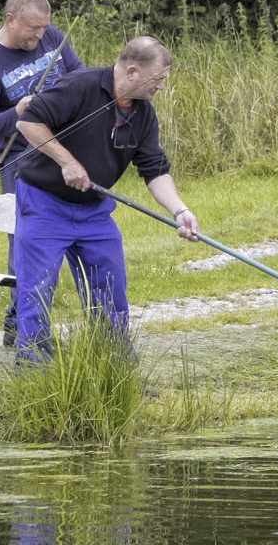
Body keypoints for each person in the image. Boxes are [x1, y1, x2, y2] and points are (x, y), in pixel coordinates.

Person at [12, 37, 198, 362]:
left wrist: (179, 210)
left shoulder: (143, 115)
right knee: (36, 292)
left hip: (94, 211)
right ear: (131, 72)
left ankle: (114, 368)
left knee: (110, 289)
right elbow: (28, 122)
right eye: (158, 79)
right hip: (44, 204)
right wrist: (66, 161)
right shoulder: (80, 86)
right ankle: (33, 371)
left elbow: (154, 170)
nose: (163, 87)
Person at [0, 0, 83, 344]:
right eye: (33, 28)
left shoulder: (53, 38)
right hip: (21, 161)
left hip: (67, 149)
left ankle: (34, 323)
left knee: (76, 234)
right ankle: (23, 326)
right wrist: (17, 112)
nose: (40, 35)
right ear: (10, 20)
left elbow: (79, 77)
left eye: (44, 28)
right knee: (31, 243)